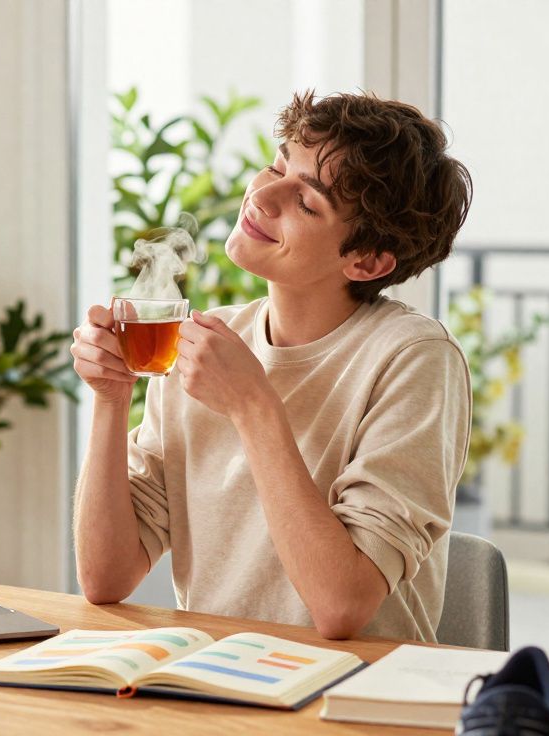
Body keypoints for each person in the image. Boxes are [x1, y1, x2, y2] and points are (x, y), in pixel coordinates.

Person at [71, 90, 473, 641]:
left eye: (307, 202)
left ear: (367, 260)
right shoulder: (207, 345)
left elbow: (341, 606)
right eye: (277, 164)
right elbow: (106, 577)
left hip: (348, 699)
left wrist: (253, 406)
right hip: (217, 687)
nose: (262, 194)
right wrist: (111, 399)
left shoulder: (412, 360)